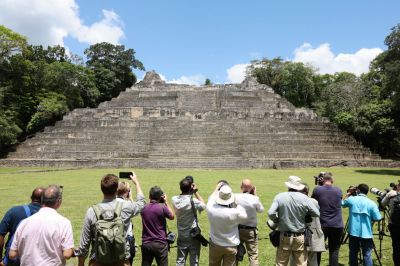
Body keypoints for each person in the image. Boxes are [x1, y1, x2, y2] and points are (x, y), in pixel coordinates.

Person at [76, 172, 145, 266]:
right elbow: (141, 203)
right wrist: (136, 182)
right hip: (121, 261)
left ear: (102, 189)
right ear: (117, 190)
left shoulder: (91, 211)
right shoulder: (126, 207)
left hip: (98, 261)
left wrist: (81, 264)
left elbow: (84, 245)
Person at [8, 185, 74, 265]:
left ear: (42, 201)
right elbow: (67, 254)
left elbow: (12, 254)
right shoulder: (64, 223)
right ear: (59, 201)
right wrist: (72, 250)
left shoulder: (24, 223)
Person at [268, 176, 320, 266]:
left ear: (288, 186)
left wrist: (277, 220)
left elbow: (271, 213)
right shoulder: (305, 198)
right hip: (299, 237)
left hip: (284, 236)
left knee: (280, 264)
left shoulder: (280, 196)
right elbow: (316, 213)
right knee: (301, 264)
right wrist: (305, 215)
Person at [206, 182, 248, 266]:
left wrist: (216, 188)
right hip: (231, 245)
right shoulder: (235, 212)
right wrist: (236, 203)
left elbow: (211, 198)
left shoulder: (211, 209)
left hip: (215, 244)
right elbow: (245, 215)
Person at [0, 187, 44, 266]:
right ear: (45, 200)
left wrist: (0, 258)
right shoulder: (50, 217)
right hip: (38, 260)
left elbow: (0, 234)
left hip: (13, 258)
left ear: (31, 198)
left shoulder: (14, 211)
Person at [342, 184, 381, 266]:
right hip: (366, 233)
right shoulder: (371, 203)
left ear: (358, 190)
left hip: (353, 232)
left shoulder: (351, 199)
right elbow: (378, 217)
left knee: (353, 253)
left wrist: (348, 194)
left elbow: (341, 203)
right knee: (367, 255)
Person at [311, 172, 343, 266]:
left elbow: (313, 201)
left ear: (322, 180)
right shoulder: (338, 190)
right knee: (334, 250)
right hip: (337, 224)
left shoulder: (317, 190)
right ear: (332, 181)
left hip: (322, 224)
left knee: (317, 249)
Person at [172, 176, 206, 266]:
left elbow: (183, 197)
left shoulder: (174, 199)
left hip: (181, 234)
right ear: (191, 187)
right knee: (194, 261)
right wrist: (195, 192)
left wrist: (190, 191)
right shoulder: (193, 201)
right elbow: (203, 205)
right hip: (193, 235)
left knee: (180, 260)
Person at [290, 183, 325, 266]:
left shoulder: (297, 202)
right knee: (312, 260)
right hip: (314, 235)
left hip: (301, 234)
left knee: (295, 260)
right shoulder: (314, 201)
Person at [141, 186, 175, 266]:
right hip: (160, 243)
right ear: (161, 197)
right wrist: (166, 202)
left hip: (146, 243)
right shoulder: (162, 207)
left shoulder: (143, 208)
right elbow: (172, 216)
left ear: (149, 196)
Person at [235, 179, 264, 266]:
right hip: (251, 231)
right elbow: (261, 210)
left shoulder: (236, 196)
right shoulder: (255, 198)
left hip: (238, 230)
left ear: (241, 187)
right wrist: (255, 195)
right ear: (252, 188)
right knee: (253, 255)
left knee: (234, 253)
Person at [380, 183, 400, 266]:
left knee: (396, 248)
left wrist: (387, 195)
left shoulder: (391, 194)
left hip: (395, 225)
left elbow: (383, 204)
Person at [117, 181, 136, 265]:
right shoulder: (127, 205)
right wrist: (131, 197)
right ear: (127, 192)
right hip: (126, 242)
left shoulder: (110, 202)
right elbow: (136, 209)